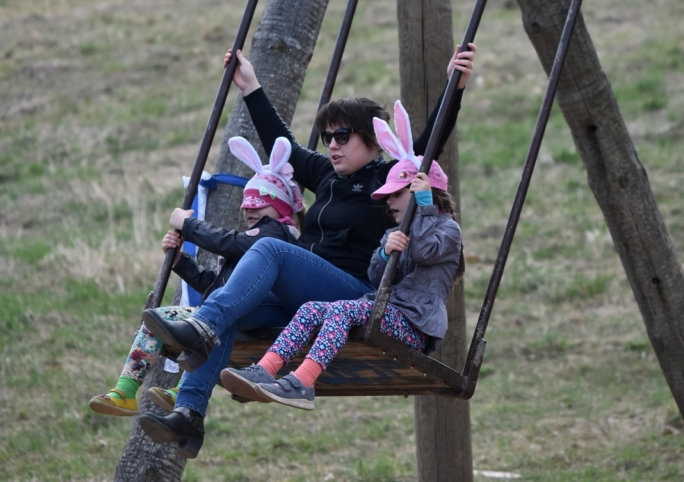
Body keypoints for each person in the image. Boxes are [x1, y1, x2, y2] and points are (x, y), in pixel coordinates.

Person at [139, 43, 476, 456]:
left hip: (354, 293)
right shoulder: (325, 175)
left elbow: (428, 144)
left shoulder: (387, 177)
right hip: (306, 297)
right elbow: (283, 143)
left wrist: (453, 88)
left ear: (372, 140)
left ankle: (204, 324)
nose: (332, 145)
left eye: (342, 136)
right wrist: (251, 87)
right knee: (231, 304)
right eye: (327, 136)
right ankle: (189, 415)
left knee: (272, 249)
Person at [221, 102, 462, 410]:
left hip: (414, 323)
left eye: (398, 194)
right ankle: (264, 370)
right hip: (384, 309)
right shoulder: (393, 233)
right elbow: (377, 277)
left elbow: (427, 248)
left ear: (425, 192)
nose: (390, 204)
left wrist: (424, 203)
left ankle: (301, 383)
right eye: (387, 198)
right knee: (310, 310)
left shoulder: (446, 230)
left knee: (342, 312)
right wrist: (386, 255)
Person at [88, 136, 303, 421]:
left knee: (179, 319)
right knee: (162, 318)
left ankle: (162, 390)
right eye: (247, 204)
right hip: (232, 311)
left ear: (282, 208)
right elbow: (216, 287)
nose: (250, 210)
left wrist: (187, 224)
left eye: (260, 203)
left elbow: (228, 243)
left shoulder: (278, 236)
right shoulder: (253, 243)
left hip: (262, 316)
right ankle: (133, 391)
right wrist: (181, 263)